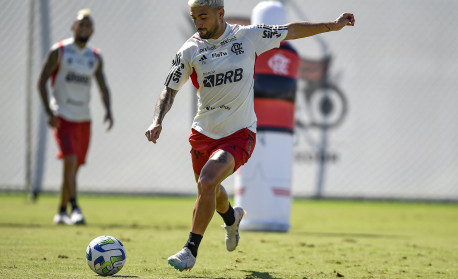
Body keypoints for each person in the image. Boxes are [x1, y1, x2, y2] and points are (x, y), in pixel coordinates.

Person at [145, 0, 354, 272]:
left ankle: (190, 250)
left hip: (240, 133)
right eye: (194, 17)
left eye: (203, 17)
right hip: (203, 134)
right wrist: (157, 119)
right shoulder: (190, 49)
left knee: (207, 181)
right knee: (209, 189)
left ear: (221, 14)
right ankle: (232, 218)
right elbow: (169, 89)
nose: (198, 23)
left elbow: (289, 30)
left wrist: (332, 26)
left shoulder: (246, 36)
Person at [37, 9, 113, 225]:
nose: (84, 28)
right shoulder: (59, 51)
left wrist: (108, 110)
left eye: (88, 25)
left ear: (92, 30)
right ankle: (75, 208)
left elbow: (102, 86)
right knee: (69, 161)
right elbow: (40, 81)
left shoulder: (94, 56)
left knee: (73, 168)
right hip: (63, 116)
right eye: (81, 24)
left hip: (84, 118)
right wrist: (49, 112)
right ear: (73, 27)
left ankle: (61, 211)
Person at [234, 0, 299, 232]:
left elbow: (272, 87)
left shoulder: (278, 52)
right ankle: (250, 217)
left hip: (267, 127)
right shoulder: (278, 52)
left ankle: (265, 218)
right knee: (252, 174)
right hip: (255, 126)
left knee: (270, 175)